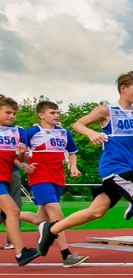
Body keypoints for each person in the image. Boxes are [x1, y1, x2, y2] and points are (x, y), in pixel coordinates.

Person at [34, 71, 133, 265]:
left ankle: (51, 229)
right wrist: (91, 133)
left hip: (127, 168)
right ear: (123, 89)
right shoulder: (107, 110)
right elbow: (78, 124)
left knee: (96, 211)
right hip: (114, 166)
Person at [19, 101, 88, 267]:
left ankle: (8, 214)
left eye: (57, 112)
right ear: (41, 115)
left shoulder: (64, 133)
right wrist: (23, 163)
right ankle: (66, 255)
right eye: (52, 112)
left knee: (39, 219)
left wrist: (73, 166)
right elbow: (18, 155)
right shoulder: (31, 133)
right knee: (56, 214)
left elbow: (72, 153)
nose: (57, 115)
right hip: (40, 177)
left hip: (58, 177)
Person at [0, 95, 36, 264]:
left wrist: (21, 152)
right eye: (7, 112)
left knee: (10, 212)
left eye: (14, 113)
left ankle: (21, 253)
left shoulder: (17, 132)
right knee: (12, 211)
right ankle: (21, 253)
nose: (12, 116)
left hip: (5, 176)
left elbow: (19, 161)